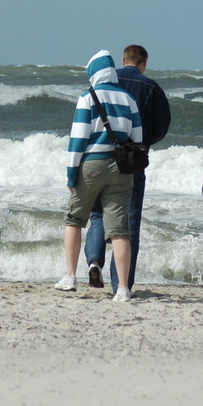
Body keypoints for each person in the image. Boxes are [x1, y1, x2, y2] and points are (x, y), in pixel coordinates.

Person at [55, 50, 143, 302]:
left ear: (93, 73)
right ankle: (123, 289)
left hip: (92, 165)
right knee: (119, 230)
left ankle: (70, 277)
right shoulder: (129, 99)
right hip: (121, 168)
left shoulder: (87, 97)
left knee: (74, 219)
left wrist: (71, 175)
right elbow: (137, 140)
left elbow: (78, 139)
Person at [83, 44, 171, 294]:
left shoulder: (103, 84)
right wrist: (143, 144)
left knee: (98, 215)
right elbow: (161, 127)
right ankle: (122, 285)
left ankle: (94, 261)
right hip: (130, 161)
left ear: (123, 60)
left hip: (97, 159)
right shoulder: (151, 87)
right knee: (128, 223)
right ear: (144, 62)